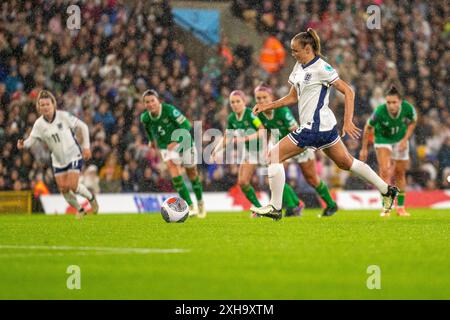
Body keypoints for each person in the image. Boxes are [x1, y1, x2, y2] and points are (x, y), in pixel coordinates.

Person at [250, 28, 398, 220]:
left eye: (296, 50)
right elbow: (292, 97)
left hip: (315, 126)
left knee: (273, 155)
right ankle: (386, 190)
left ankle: (275, 207)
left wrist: (347, 121)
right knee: (346, 162)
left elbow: (348, 91)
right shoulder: (298, 67)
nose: (293, 54)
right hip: (324, 129)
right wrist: (267, 105)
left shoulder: (322, 67)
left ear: (308, 48)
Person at [254, 84, 338, 216]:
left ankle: (331, 205)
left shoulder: (282, 111)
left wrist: (311, 145)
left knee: (311, 179)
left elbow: (294, 129)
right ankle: (293, 206)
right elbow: (266, 132)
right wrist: (266, 148)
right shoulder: (260, 114)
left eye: (265, 97)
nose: (261, 101)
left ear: (272, 98)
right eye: (258, 98)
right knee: (274, 176)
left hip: (298, 145)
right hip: (281, 149)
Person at [17, 90, 98, 218]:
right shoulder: (39, 124)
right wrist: (23, 144)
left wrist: (86, 147)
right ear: (39, 107)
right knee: (64, 189)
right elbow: (31, 140)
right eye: (42, 105)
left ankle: (91, 198)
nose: (45, 107)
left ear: (53, 104)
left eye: (47, 104)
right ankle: (80, 210)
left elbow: (83, 126)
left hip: (73, 154)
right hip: (58, 160)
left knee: (73, 186)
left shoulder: (63, 116)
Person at [140, 89, 206, 218]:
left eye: (152, 101)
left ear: (158, 101)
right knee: (174, 174)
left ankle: (200, 203)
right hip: (166, 147)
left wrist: (175, 141)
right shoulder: (145, 118)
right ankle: (190, 206)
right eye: (147, 102)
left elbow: (187, 126)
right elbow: (148, 130)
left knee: (191, 174)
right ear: (144, 104)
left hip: (184, 143)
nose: (150, 104)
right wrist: (151, 141)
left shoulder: (169, 110)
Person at [360, 86, 417, 217]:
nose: (391, 105)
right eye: (388, 102)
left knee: (400, 173)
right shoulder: (379, 111)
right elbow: (368, 127)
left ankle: (401, 208)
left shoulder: (408, 108)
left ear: (400, 102)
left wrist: (405, 140)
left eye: (394, 102)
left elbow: (413, 121)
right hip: (382, 139)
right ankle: (386, 208)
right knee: (385, 171)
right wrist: (364, 149)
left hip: (400, 139)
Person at [212, 90, 266, 211]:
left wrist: (245, 138)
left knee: (243, 181)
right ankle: (259, 207)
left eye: (238, 101)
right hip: (248, 151)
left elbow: (262, 131)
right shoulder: (231, 118)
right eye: (232, 102)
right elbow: (227, 138)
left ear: (244, 102)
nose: (235, 104)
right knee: (242, 183)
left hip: (258, 149)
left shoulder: (250, 114)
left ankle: (260, 207)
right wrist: (216, 150)